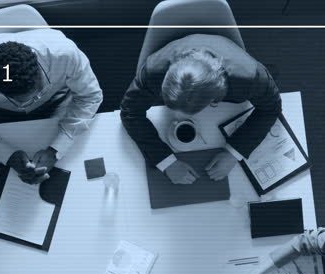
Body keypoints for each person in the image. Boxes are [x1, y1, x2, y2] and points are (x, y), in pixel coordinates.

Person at [0, 29, 103, 185]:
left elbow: (89, 96)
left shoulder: (66, 54)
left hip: (56, 101)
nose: (26, 105)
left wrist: (57, 149)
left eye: (35, 94)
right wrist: (8, 155)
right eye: (18, 100)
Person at [120, 34, 281, 185]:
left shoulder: (249, 78)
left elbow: (271, 108)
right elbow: (129, 111)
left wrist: (234, 153)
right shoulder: (154, 70)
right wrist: (166, 161)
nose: (178, 116)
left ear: (215, 99)